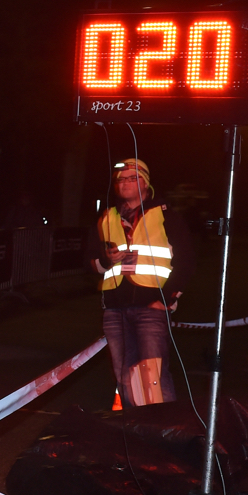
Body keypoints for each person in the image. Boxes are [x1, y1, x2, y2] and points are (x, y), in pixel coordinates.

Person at [91, 158, 195, 406]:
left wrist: (166, 298)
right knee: (125, 378)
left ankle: (168, 434)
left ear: (146, 184)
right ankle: (136, 430)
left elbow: (187, 260)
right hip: (115, 309)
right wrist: (108, 260)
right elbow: (91, 263)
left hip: (152, 307)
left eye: (131, 178)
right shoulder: (106, 217)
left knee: (153, 377)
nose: (124, 183)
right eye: (120, 179)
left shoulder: (165, 214)